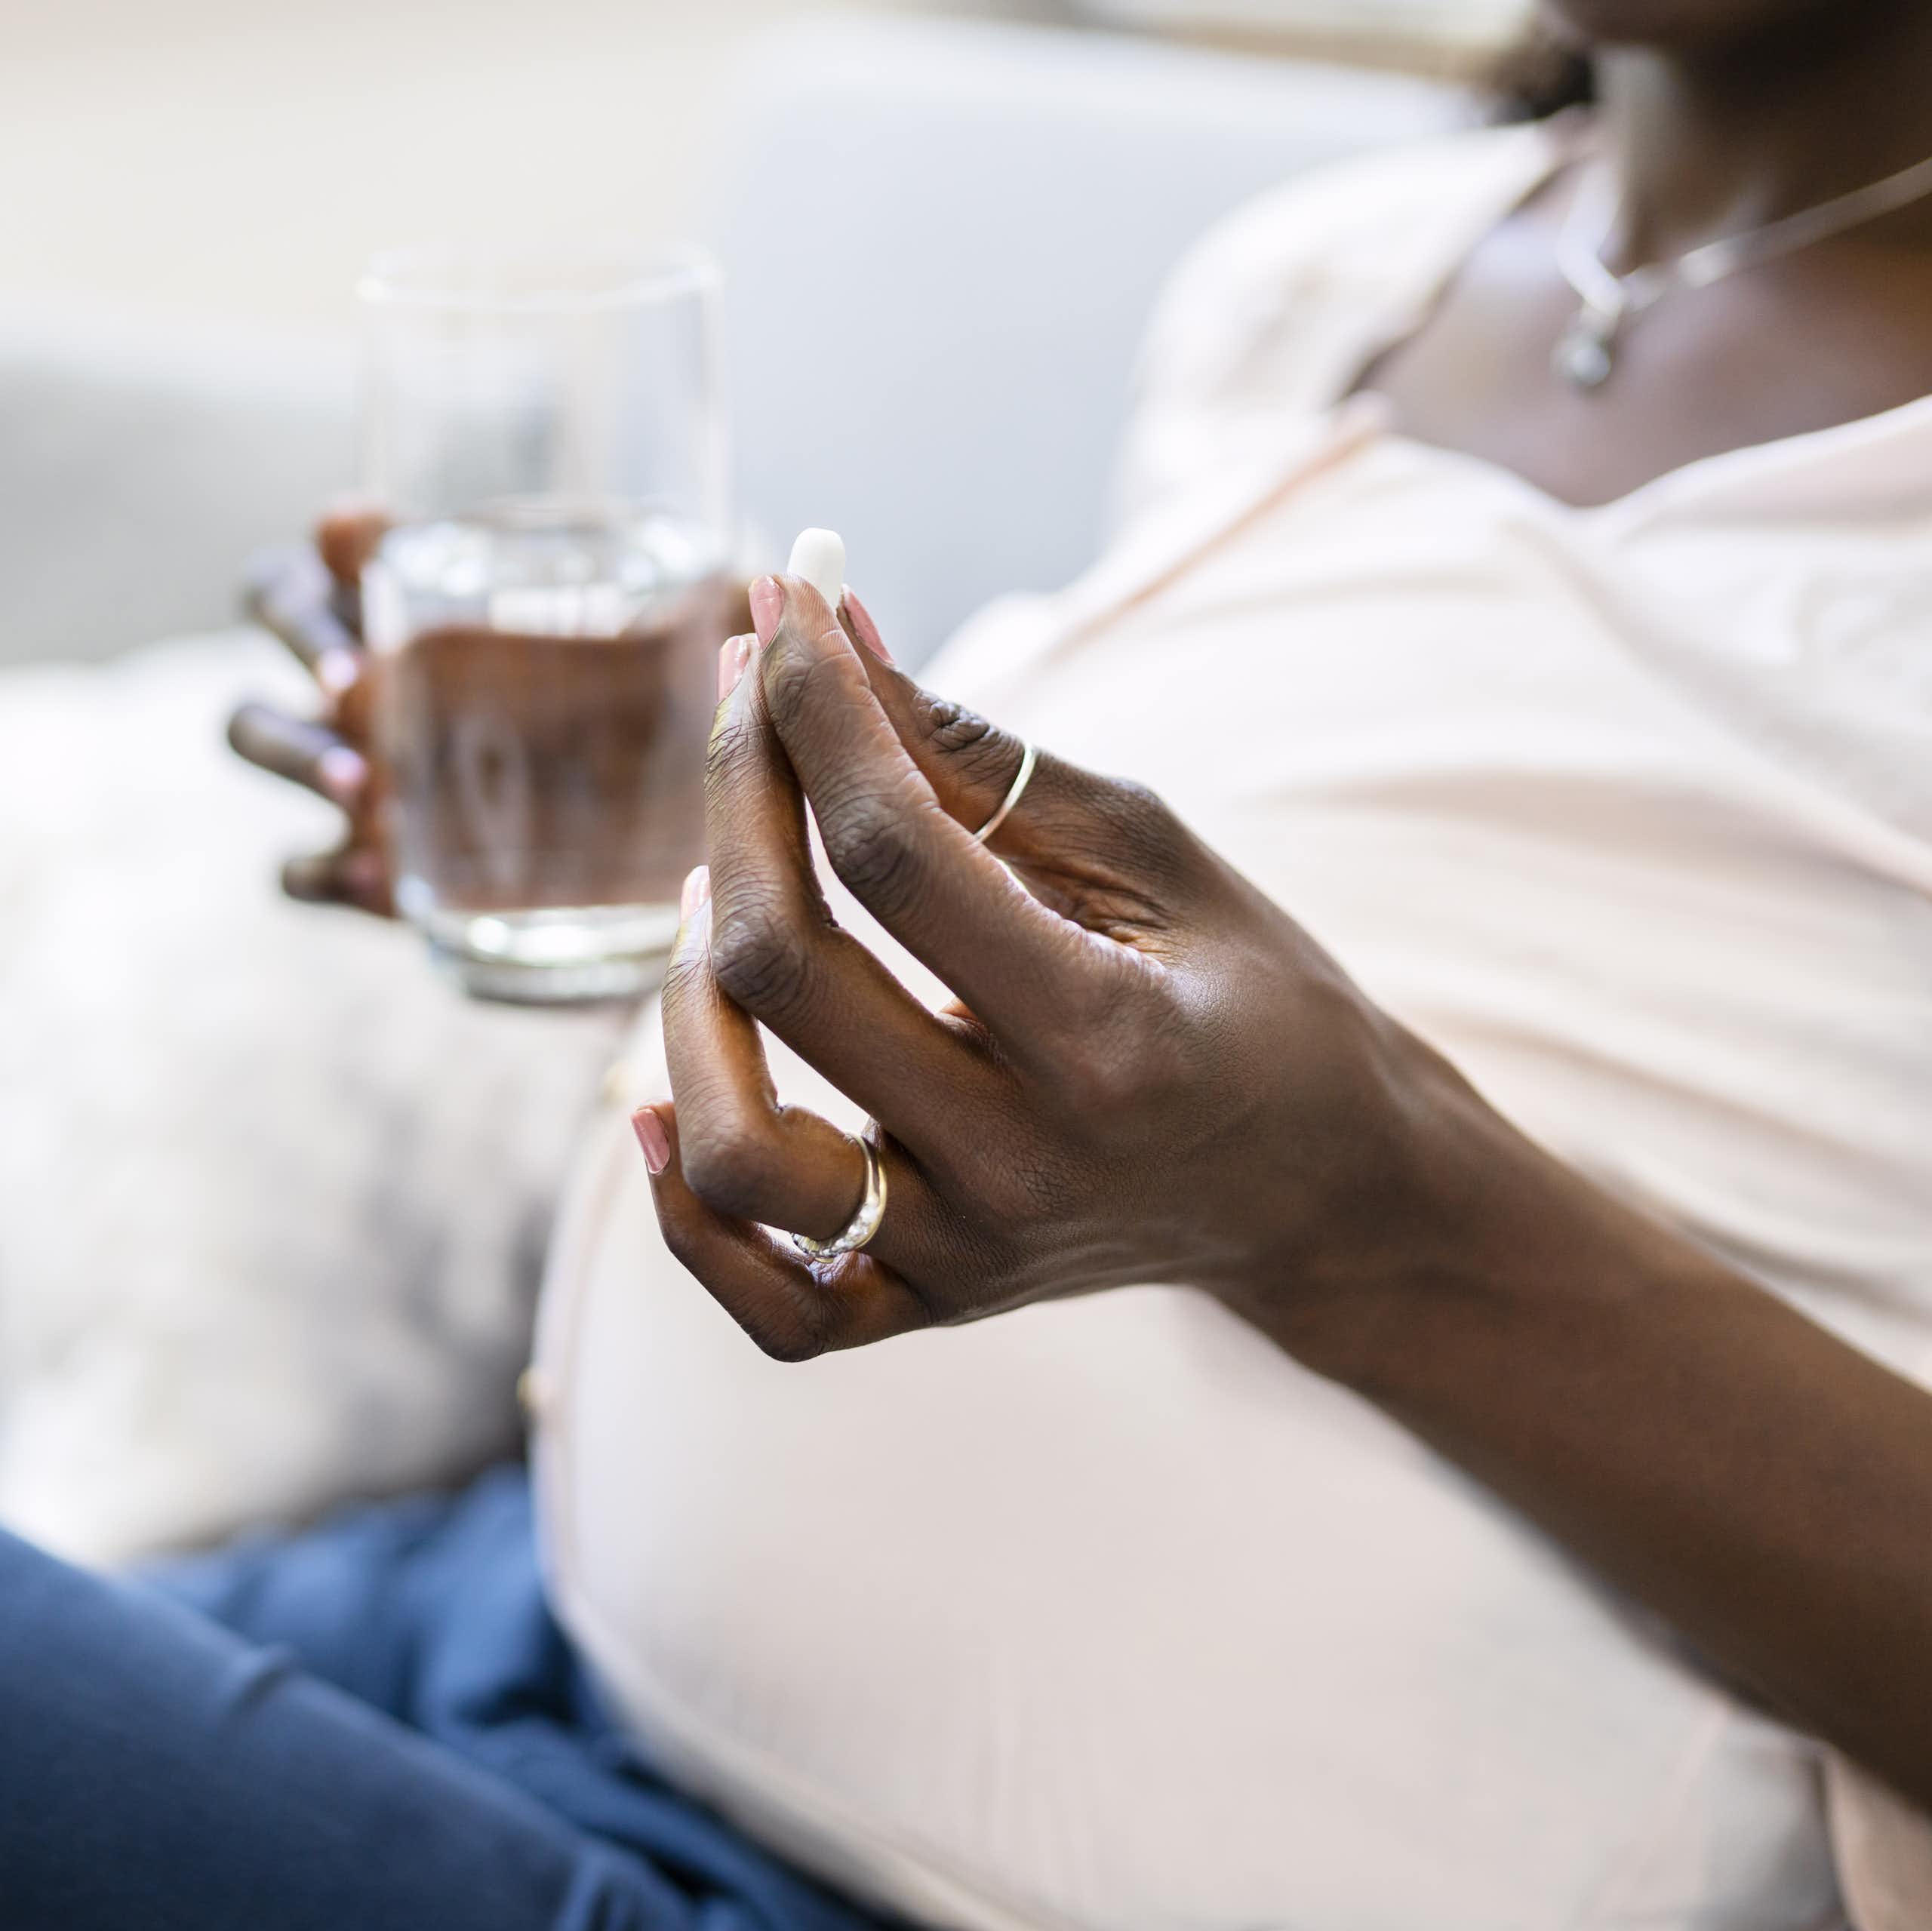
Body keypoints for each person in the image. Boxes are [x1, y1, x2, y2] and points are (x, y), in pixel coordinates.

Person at [11, 0, 1932, 1924]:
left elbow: (1330, 1115)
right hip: (519, 1628)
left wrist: (1367, 1214)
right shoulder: (1327, 281)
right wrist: (733, 818)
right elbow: (1340, 926)